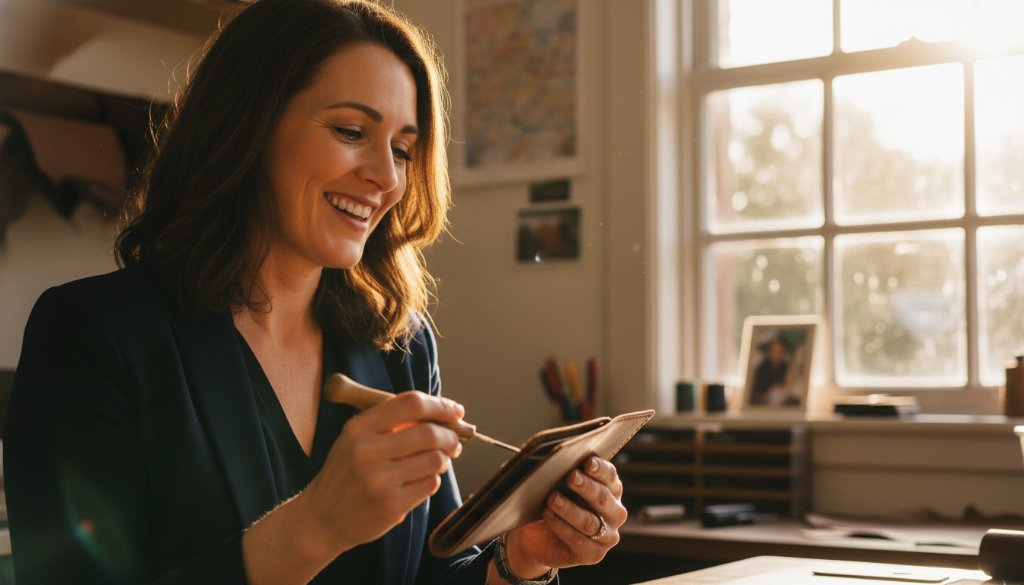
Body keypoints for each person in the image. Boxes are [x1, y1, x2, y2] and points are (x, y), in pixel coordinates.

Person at [2, 1, 627, 583]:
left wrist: (518, 561)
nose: (386, 177)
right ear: (246, 126)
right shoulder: (91, 334)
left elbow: (434, 570)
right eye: (352, 130)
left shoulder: (400, 345)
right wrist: (314, 528)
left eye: (404, 149)